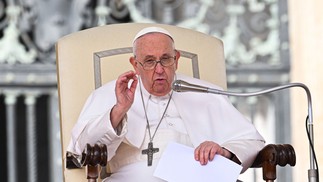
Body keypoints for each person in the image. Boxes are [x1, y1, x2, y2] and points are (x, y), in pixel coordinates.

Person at [67, 26, 265, 181]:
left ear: (176, 59)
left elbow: (251, 140)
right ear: (135, 64)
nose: (159, 69)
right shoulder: (111, 94)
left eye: (165, 59)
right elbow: (82, 149)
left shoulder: (205, 92)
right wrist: (119, 110)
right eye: (150, 61)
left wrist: (224, 151)